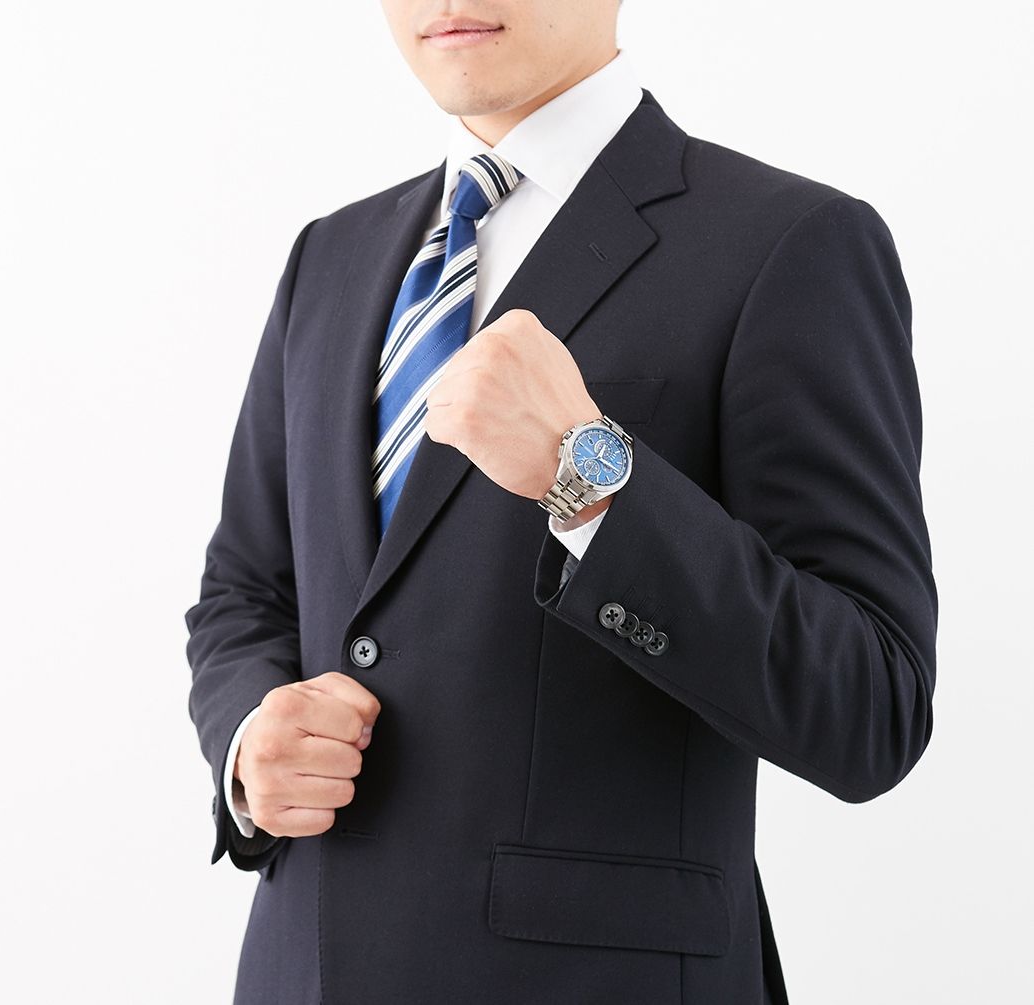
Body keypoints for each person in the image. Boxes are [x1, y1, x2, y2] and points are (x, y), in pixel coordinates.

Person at [183, 2, 938, 1001]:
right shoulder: (330, 256)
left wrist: (584, 476)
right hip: (303, 970)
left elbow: (870, 704)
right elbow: (245, 588)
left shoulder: (788, 243)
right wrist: (251, 740)